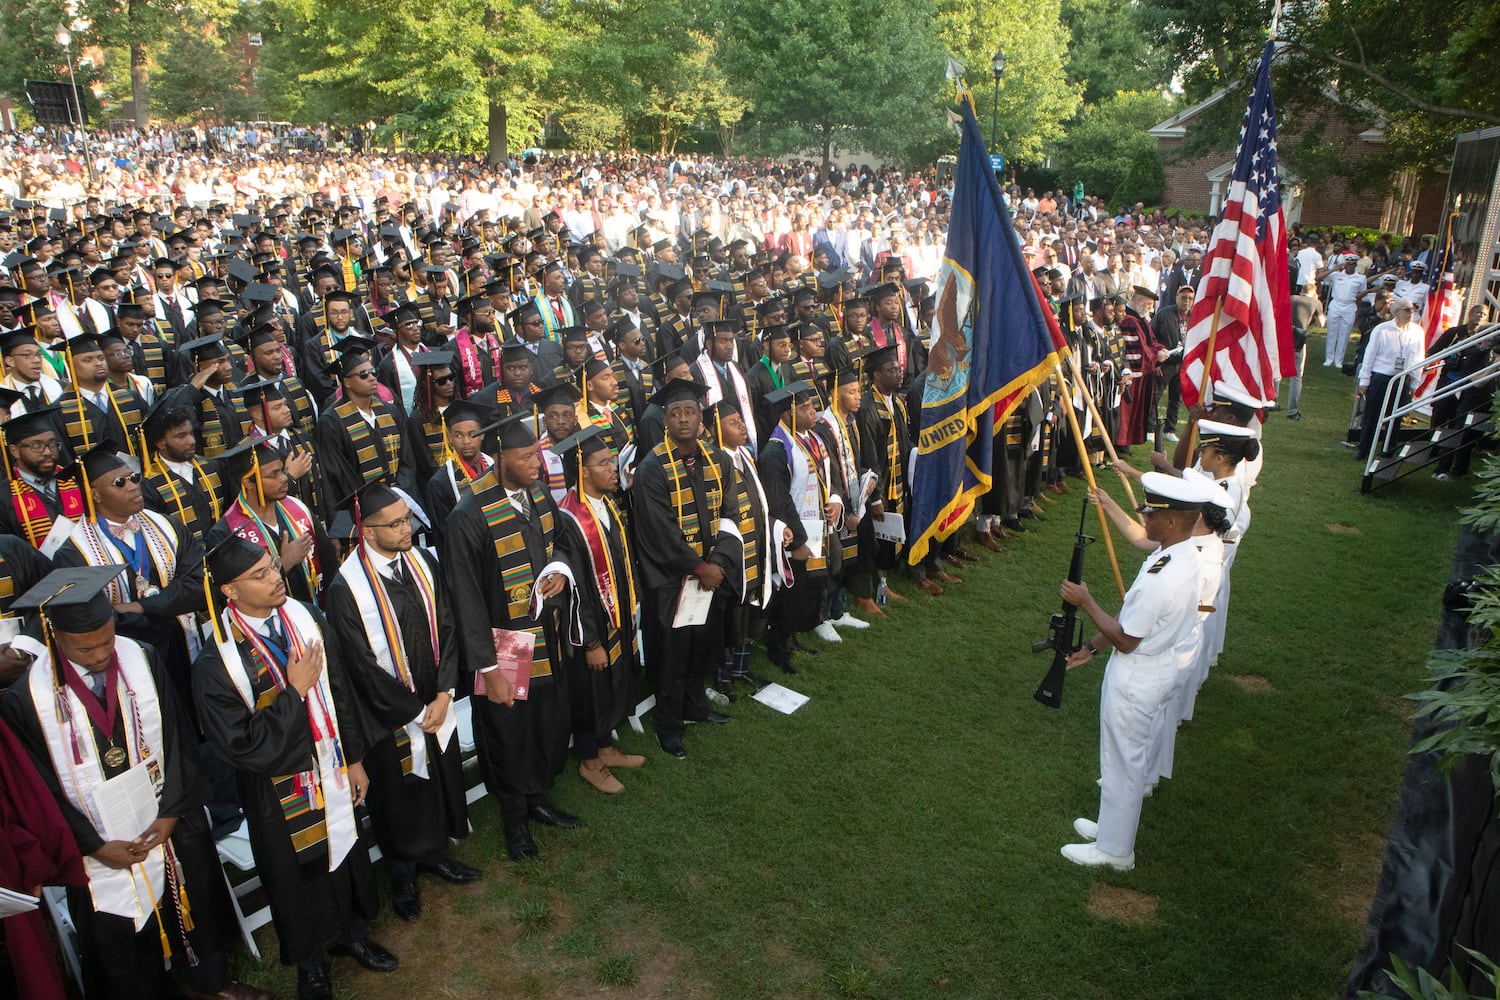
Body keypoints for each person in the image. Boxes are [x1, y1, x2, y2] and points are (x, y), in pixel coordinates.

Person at [2, 565, 262, 1000]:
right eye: (86, 648)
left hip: (165, 815)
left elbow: (178, 735)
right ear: (56, 639)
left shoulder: (141, 656)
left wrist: (173, 812)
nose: (103, 653)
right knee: (116, 931)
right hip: (95, 838)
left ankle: (210, 984)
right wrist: (92, 844)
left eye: (107, 639)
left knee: (194, 895)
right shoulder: (26, 700)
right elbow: (41, 792)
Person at [194, 535, 395, 1000]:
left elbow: (341, 688)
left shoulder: (306, 617)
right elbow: (241, 747)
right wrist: (294, 693)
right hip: (275, 790)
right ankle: (310, 963)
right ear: (230, 591)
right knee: (295, 875)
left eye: (272, 566)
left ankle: (352, 934)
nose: (274, 577)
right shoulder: (216, 661)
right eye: (259, 574)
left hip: (330, 761)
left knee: (345, 850)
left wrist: (355, 758)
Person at [325, 482, 479, 922]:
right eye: (394, 524)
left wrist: (446, 692)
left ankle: (434, 854)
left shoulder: (422, 559)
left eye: (406, 518)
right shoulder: (346, 588)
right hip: (386, 713)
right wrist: (414, 710)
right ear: (368, 532)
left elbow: (447, 625)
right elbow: (359, 665)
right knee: (399, 795)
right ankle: (403, 876)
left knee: (437, 779)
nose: (406, 528)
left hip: (436, 698)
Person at [440, 412, 579, 861]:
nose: (537, 464)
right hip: (503, 646)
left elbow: (559, 540)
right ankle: (514, 823)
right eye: (525, 457)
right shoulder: (469, 514)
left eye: (536, 455)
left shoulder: (537, 492)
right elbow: (465, 598)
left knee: (541, 725)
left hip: (544, 634)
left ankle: (537, 799)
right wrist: (489, 667)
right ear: (499, 457)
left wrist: (558, 569)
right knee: (508, 734)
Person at [1057, 472, 1211, 870]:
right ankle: (1111, 828)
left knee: (1123, 763)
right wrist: (1091, 647)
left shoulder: (1164, 577)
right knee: (1122, 759)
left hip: (1137, 673)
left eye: (1152, 512)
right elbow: (1132, 623)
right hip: (1153, 667)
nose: (1145, 517)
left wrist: (1087, 601)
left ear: (1174, 521)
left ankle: (1114, 850)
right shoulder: (1180, 555)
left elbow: (1128, 637)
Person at [630, 378, 738, 758]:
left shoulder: (718, 459)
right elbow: (659, 533)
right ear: (665, 421)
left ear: (700, 417)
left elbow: (731, 514)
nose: (683, 420)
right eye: (675, 413)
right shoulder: (651, 469)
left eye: (689, 412)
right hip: (670, 580)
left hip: (709, 576)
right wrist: (699, 567)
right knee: (672, 656)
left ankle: (695, 708)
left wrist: (720, 563)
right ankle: (668, 725)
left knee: (700, 647)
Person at [551, 427, 647, 794]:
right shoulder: (569, 519)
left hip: (616, 614)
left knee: (610, 682)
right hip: (588, 626)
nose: (613, 468)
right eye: (604, 463)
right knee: (589, 690)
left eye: (612, 460)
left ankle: (605, 748)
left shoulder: (606, 504)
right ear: (583, 470)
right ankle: (590, 761)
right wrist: (590, 641)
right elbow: (574, 589)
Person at [759, 381, 842, 667]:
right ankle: (778, 649)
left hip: (815, 525)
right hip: (792, 535)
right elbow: (778, 501)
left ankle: (792, 640)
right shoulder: (776, 450)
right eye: (805, 408)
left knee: (806, 589)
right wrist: (799, 541)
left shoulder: (811, 439)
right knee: (789, 592)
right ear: (786, 414)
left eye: (813, 406)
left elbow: (826, 475)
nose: (814, 413)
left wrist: (833, 500)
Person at [1356, 298, 1425, 461]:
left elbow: (1419, 357)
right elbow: (1369, 356)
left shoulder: (1417, 331)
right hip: (1381, 377)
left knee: (1396, 417)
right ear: (1397, 312)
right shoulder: (1382, 330)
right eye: (1407, 310)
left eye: (1413, 310)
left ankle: (1388, 451)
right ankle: (1364, 449)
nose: (1411, 313)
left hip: (1402, 378)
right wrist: (1364, 381)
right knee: (1372, 415)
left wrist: (1415, 381)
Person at [1324, 253, 1366, 367]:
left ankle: (1339, 360)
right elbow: (1319, 277)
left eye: (1352, 265)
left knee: (1344, 334)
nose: (1349, 267)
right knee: (1331, 332)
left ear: (1355, 265)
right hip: (1336, 303)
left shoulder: (1361, 278)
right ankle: (1329, 358)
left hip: (1350, 305)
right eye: (1347, 264)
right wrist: (1334, 268)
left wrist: (1357, 311)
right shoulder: (1336, 275)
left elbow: (1360, 295)